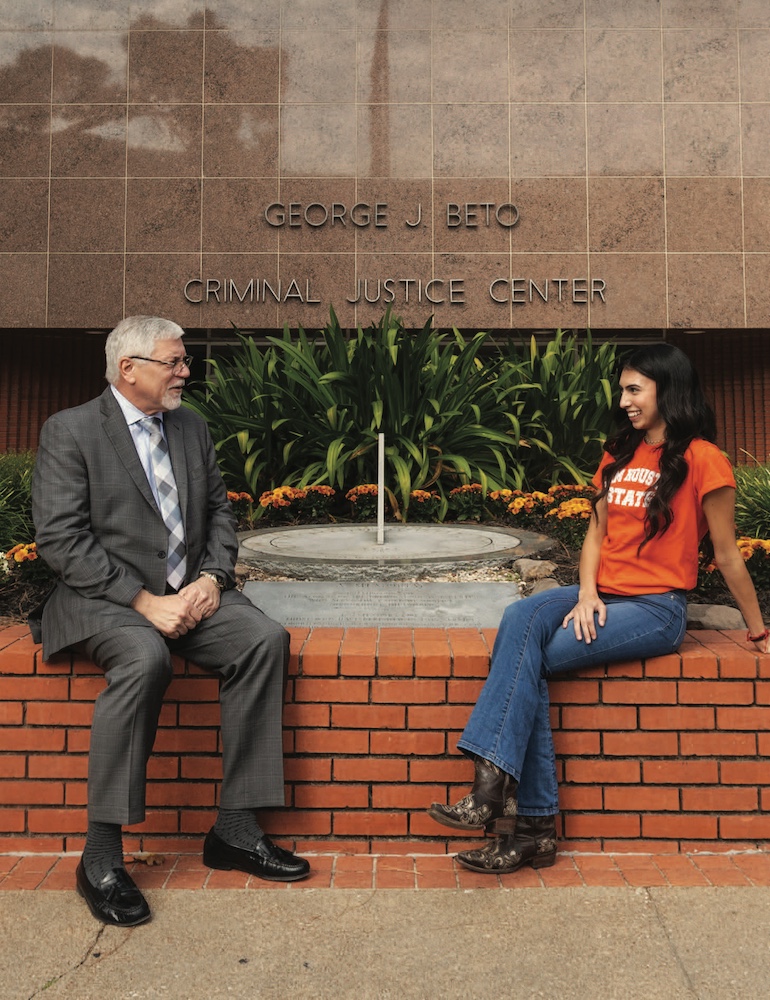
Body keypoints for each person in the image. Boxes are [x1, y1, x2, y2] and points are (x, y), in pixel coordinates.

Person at [428, 343, 770, 873]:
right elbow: (595, 534)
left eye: (635, 389)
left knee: (526, 661)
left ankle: (509, 808)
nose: (625, 400)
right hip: (602, 594)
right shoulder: (618, 453)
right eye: (622, 389)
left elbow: (726, 555)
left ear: (667, 390)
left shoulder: (704, 458)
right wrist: (586, 593)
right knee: (521, 618)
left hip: (655, 609)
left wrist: (756, 628)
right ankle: (520, 820)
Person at [32, 315, 310, 927]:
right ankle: (101, 856)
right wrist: (141, 601)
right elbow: (60, 540)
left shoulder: (190, 426)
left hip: (191, 594)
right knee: (144, 657)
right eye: (174, 361)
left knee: (264, 639)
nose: (186, 371)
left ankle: (235, 830)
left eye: (184, 361)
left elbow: (220, 514)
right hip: (103, 600)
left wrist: (212, 577)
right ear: (128, 369)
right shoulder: (71, 430)